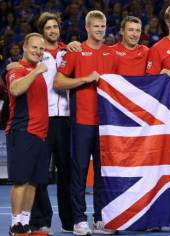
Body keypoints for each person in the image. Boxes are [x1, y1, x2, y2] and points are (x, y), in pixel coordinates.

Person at [54, 10, 116, 235]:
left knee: (103, 173)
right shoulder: (76, 51)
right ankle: (79, 220)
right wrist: (85, 79)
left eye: (103, 26)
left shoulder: (112, 53)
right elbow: (58, 82)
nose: (100, 30)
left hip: (107, 124)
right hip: (81, 122)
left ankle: (100, 218)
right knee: (79, 172)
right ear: (87, 28)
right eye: (96, 26)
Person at [28, 12, 73, 235]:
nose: (53, 31)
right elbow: (18, 67)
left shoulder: (69, 51)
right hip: (42, 120)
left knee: (66, 173)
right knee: (41, 175)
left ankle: (69, 221)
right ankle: (41, 221)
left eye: (55, 26)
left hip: (65, 120)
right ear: (41, 31)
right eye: (48, 28)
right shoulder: (37, 54)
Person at [6, 33, 48, 236]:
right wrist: (36, 71)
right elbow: (15, 89)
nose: (38, 52)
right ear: (24, 47)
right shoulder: (18, 70)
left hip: (40, 135)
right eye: (34, 47)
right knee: (21, 181)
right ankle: (15, 225)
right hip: (22, 131)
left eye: (41, 49)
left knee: (33, 182)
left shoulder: (36, 70)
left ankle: (25, 224)